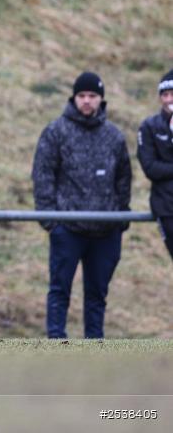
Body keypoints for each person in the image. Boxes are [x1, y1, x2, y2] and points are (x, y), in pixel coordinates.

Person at [31, 71, 131, 339]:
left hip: (106, 232)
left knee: (97, 296)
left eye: (92, 96)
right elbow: (43, 175)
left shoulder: (114, 137)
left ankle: (93, 351)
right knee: (59, 290)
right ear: (74, 98)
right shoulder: (56, 132)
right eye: (82, 96)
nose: (87, 101)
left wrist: (120, 220)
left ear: (101, 99)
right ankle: (56, 345)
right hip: (68, 230)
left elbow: (123, 179)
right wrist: (50, 220)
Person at [137, 68, 173, 263]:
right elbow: (150, 168)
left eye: (172, 94)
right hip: (167, 209)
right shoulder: (150, 126)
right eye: (165, 94)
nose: (169, 100)